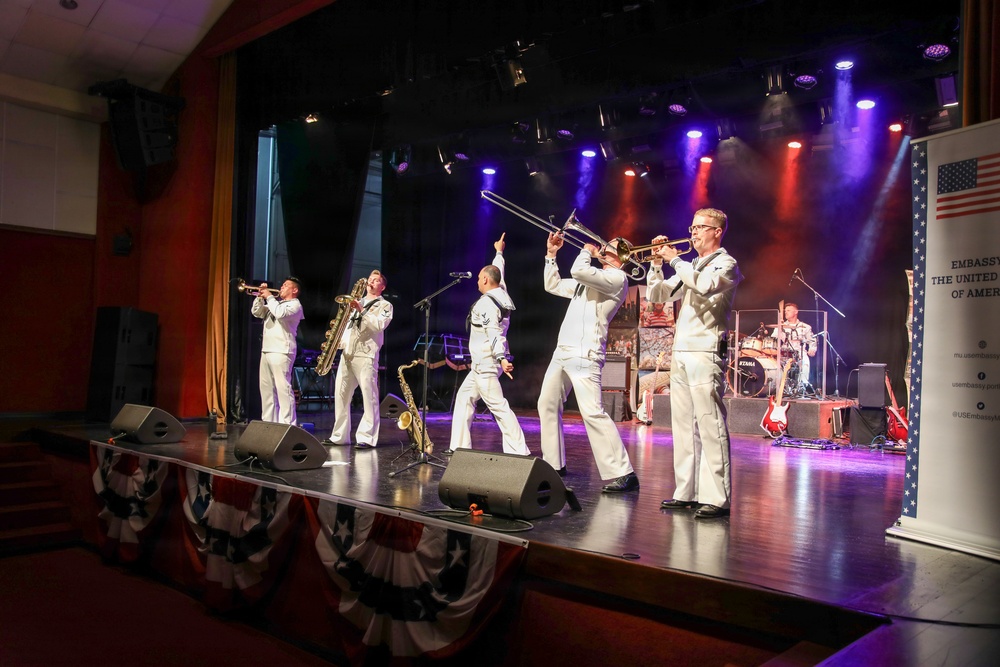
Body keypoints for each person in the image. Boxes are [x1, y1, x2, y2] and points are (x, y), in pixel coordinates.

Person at [648, 209, 742, 518]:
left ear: (717, 231)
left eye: (701, 227)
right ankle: (685, 491)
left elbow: (703, 285)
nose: (694, 232)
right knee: (683, 425)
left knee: (710, 424)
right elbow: (658, 295)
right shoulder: (691, 266)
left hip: (705, 351)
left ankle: (716, 498)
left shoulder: (726, 263)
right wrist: (657, 264)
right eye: (693, 226)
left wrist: (675, 259)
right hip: (682, 351)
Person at [538, 232, 639, 493]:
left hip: (586, 353)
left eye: (610, 246)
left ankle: (623, 472)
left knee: (593, 412)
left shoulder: (617, 278)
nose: (604, 247)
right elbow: (553, 285)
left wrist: (585, 250)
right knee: (547, 404)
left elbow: (579, 270)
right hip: (563, 351)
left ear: (623, 256)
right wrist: (551, 255)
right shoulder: (591, 278)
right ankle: (554, 464)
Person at [446, 234, 529, 456]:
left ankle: (520, 451)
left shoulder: (486, 304)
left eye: (479, 278)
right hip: (485, 362)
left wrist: (502, 357)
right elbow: (498, 272)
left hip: (487, 361)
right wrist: (499, 252)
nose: (477, 282)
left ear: (484, 280)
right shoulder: (501, 292)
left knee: (499, 407)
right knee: (464, 398)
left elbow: (493, 332)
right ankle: (459, 447)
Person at [324, 270, 393, 448]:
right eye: (370, 279)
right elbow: (348, 327)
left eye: (376, 280)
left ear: (382, 286)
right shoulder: (356, 302)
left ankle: (366, 438)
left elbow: (378, 326)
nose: (371, 282)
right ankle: (339, 436)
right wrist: (338, 342)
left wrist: (361, 310)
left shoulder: (385, 305)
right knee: (341, 395)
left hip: (366, 354)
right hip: (348, 353)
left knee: (368, 397)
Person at [251, 277, 305, 425]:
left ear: (294, 290)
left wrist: (268, 296)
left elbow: (280, 313)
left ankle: (287, 424)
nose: (281, 287)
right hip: (267, 350)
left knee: (283, 389)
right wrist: (260, 298)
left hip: (282, 350)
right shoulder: (275, 303)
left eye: (285, 285)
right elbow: (257, 312)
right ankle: (268, 423)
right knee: (267, 390)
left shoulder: (295, 306)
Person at [771, 302, 816, 395]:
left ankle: (802, 387)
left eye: (788, 310)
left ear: (795, 312)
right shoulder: (780, 326)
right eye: (785, 311)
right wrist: (780, 328)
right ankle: (778, 387)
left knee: (805, 361)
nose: (786, 312)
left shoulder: (805, 327)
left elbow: (812, 340)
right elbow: (773, 339)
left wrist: (812, 349)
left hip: (799, 351)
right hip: (784, 351)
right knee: (775, 364)